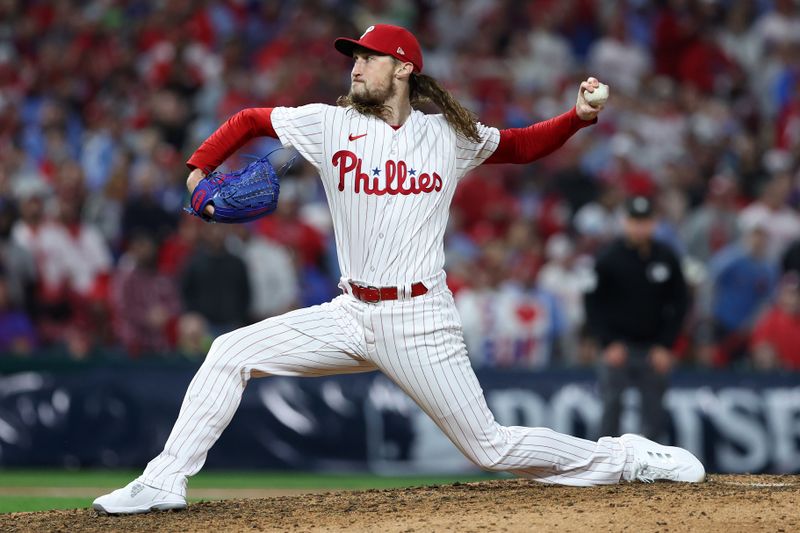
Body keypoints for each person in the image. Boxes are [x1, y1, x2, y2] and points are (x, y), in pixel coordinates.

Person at [93, 24, 704, 515]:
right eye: (353, 58)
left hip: (420, 320)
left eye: (369, 57)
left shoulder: (447, 137)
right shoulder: (330, 124)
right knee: (229, 351)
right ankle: (163, 482)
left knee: (489, 447)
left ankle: (628, 459)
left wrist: (578, 117)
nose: (355, 66)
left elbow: (520, 145)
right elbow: (251, 121)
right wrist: (198, 170)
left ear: (403, 67)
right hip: (349, 310)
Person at [585, 195, 690, 441]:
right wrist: (607, 342)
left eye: (645, 221)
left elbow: (681, 303)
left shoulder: (667, 257)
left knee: (654, 410)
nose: (640, 227)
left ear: (654, 223)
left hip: (654, 348)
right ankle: (605, 462)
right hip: (617, 347)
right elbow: (592, 304)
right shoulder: (608, 258)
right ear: (625, 222)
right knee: (611, 405)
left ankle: (652, 465)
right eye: (635, 221)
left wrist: (666, 345)